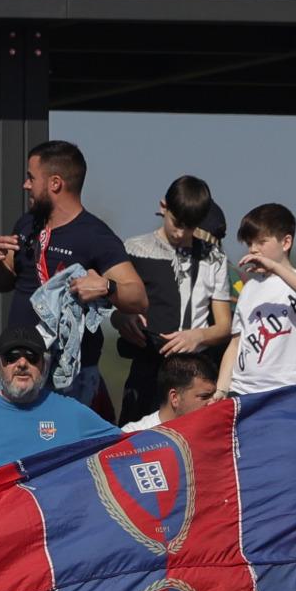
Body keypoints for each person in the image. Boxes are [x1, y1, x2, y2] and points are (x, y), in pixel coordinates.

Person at [0, 140, 145, 413]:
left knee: (69, 454)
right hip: (19, 370)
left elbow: (138, 296)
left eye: (31, 178)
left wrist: (107, 286)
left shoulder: (95, 236)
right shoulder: (26, 224)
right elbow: (3, 282)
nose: (25, 185)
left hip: (71, 380)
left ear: (55, 183)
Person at [0, 328, 115, 495]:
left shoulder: (72, 413)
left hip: (53, 525)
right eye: (11, 357)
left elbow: (126, 445)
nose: (22, 363)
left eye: (32, 356)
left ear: (44, 365)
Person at [110, 175, 226, 424]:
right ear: (163, 207)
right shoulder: (133, 248)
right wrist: (123, 319)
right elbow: (109, 308)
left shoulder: (213, 257)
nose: (182, 232)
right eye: (177, 222)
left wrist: (198, 335)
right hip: (147, 367)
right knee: (136, 442)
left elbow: (225, 326)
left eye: (191, 226)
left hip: (194, 375)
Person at [213, 204, 296, 397]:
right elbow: (235, 344)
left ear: (286, 242)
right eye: (249, 244)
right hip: (244, 392)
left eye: (261, 242)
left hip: (291, 390)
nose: (253, 249)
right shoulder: (249, 287)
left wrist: (275, 267)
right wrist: (221, 390)